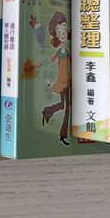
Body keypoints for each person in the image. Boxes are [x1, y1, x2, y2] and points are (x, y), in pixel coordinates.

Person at [41, 10, 71, 146]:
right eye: (59, 31)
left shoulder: (67, 51)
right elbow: (48, 63)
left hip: (68, 81)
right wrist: (48, 79)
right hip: (62, 82)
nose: (63, 33)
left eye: (64, 28)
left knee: (64, 105)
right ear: (56, 35)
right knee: (67, 108)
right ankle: (63, 135)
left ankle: (48, 111)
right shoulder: (60, 52)